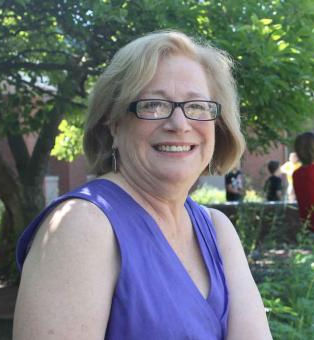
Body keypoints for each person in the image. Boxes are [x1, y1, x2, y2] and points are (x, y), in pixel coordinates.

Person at [14, 31, 272, 339]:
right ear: (113, 123)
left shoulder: (216, 230)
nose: (179, 124)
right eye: (153, 105)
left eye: (198, 106)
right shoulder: (82, 226)